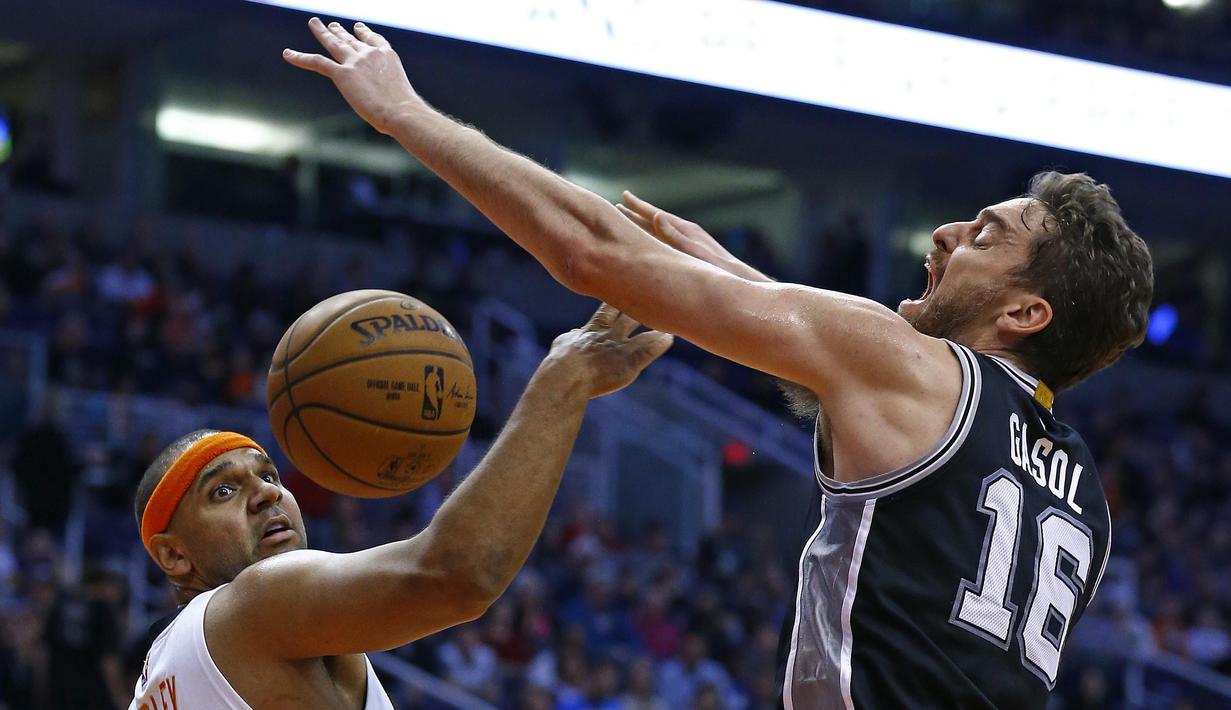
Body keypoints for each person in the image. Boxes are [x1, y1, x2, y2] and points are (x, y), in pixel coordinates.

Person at [284, 18, 1153, 707]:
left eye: (984, 238)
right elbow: (856, 401)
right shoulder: (1081, 496)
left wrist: (404, 112)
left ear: (1023, 312)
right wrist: (733, 285)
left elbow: (590, 251)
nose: (945, 235)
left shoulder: (912, 368)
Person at [129, 305, 672, 709]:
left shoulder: (176, 668)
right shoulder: (245, 609)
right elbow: (454, 575)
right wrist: (565, 379)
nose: (268, 492)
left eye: (269, 475)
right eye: (223, 490)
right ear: (174, 556)